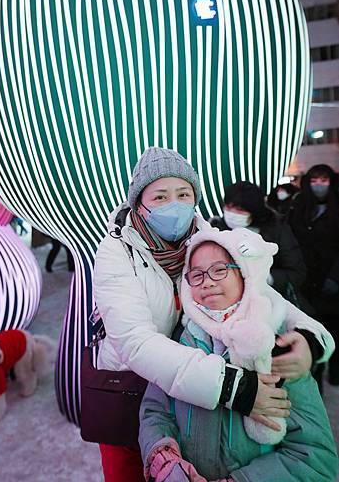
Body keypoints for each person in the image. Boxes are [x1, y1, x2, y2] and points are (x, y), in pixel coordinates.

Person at [93, 148, 334, 482]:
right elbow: (135, 342)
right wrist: (234, 388)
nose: (173, 204)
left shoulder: (205, 239)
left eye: (183, 194)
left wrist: (309, 337)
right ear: (139, 204)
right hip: (135, 386)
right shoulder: (115, 253)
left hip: (197, 382)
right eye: (160, 196)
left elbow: (258, 291)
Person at [139, 226, 338, 482]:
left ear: (244, 275)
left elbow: (316, 459)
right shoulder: (181, 341)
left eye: (220, 270)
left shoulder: (278, 350)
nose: (207, 281)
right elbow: (155, 410)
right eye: (196, 275)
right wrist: (164, 461)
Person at [209, 181, 306, 307]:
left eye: (239, 210)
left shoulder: (277, 231)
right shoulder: (216, 230)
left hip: (270, 302)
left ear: (254, 211)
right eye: (228, 207)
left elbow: (298, 272)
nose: (232, 214)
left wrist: (268, 278)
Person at [288, 164, 339, 389]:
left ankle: (335, 372)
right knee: (312, 331)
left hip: (332, 284)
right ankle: (314, 376)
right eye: (314, 180)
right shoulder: (300, 205)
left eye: (324, 180)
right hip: (306, 283)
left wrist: (335, 277)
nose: (319, 185)